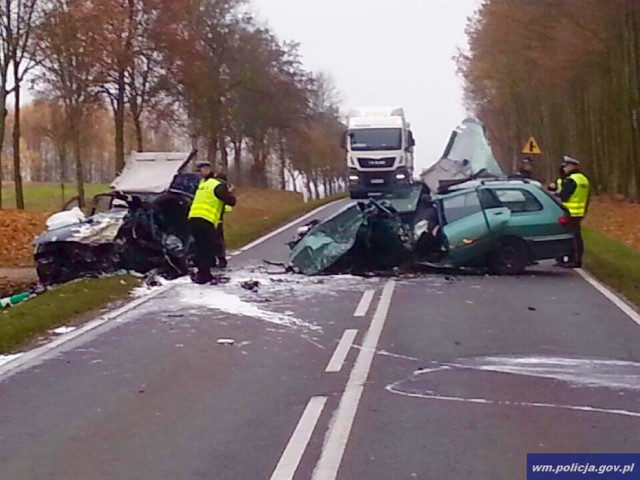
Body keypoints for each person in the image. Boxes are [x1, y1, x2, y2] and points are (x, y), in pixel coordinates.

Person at [188, 160, 237, 284]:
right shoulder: (217, 185)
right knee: (206, 248)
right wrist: (230, 193)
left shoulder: (203, 184)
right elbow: (231, 201)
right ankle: (204, 276)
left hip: (194, 217)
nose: (200, 173)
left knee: (201, 247)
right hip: (206, 219)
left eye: (201, 170)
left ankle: (203, 273)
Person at [557, 155, 590, 268]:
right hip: (579, 212)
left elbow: (564, 196)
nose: (564, 168)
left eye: (566, 166)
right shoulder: (583, 179)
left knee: (571, 237)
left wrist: (556, 194)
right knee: (576, 236)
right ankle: (575, 259)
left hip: (569, 212)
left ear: (572, 166)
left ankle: (573, 260)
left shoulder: (571, 180)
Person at [214, 172, 233, 269]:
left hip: (215, 216)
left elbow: (228, 204)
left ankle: (219, 259)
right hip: (216, 216)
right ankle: (219, 259)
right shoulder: (221, 188)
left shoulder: (219, 188)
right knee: (217, 239)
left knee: (215, 239)